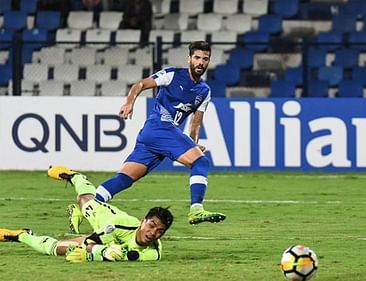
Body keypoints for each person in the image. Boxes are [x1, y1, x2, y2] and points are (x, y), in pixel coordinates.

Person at [66, 41, 225, 235]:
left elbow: (195, 123)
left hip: (154, 136)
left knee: (124, 178)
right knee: (201, 163)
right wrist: (129, 103)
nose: (201, 62)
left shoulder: (204, 91)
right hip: (159, 127)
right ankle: (196, 210)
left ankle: (83, 209)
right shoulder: (172, 74)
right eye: (197, 57)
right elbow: (140, 84)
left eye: (205, 59)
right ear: (189, 59)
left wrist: (193, 144)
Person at [0, 166, 173, 262]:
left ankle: (21, 235)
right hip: (106, 219)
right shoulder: (120, 224)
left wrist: (97, 254)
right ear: (143, 221)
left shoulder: (155, 252)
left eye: (160, 231)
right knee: (85, 199)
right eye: (151, 226)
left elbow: (132, 257)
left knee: (58, 249)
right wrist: (95, 253)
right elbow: (91, 242)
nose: (153, 233)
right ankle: (74, 176)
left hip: (108, 240)